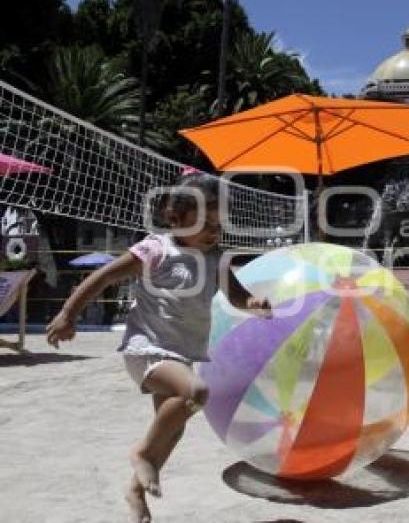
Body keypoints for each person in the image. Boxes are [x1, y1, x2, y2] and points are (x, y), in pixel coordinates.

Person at [46, 172, 271, 523]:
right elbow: (104, 276)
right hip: (146, 350)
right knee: (196, 391)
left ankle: (136, 490)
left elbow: (237, 295)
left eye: (218, 224)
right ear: (175, 219)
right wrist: (67, 313)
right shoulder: (156, 249)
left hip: (181, 355)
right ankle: (142, 454)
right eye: (205, 223)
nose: (215, 231)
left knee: (175, 427)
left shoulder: (217, 258)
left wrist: (255, 303)